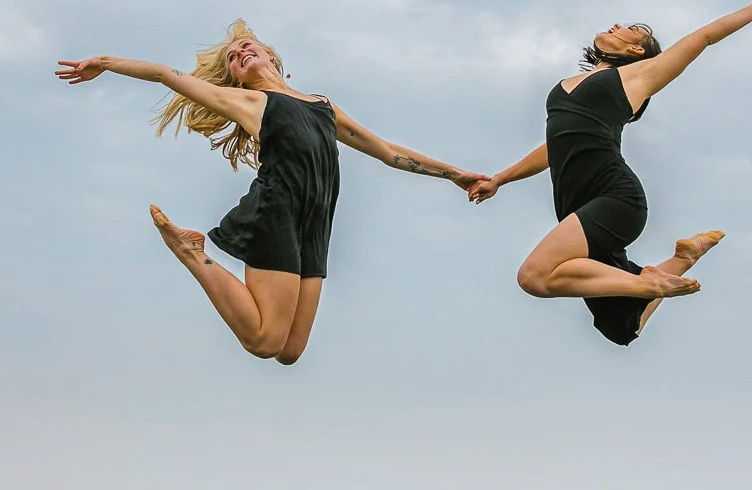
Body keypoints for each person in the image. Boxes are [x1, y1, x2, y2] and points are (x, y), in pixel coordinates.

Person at [56, 19, 485, 365]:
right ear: (235, 79)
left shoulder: (323, 107)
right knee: (263, 342)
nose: (241, 52)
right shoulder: (249, 103)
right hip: (276, 212)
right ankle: (191, 251)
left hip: (315, 226)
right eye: (233, 57)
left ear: (272, 55)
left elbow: (389, 153)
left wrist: (453, 174)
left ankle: (199, 255)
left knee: (290, 352)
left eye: (248, 46)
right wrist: (107, 62)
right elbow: (165, 75)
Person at [467, 0, 752, 345]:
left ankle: (647, 282)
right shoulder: (568, 85)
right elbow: (553, 148)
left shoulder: (638, 77)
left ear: (637, 51)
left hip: (615, 198)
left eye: (632, 29)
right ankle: (683, 258)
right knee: (621, 328)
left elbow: (703, 38)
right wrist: (500, 179)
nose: (618, 25)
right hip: (577, 206)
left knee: (535, 277)